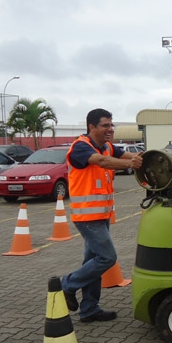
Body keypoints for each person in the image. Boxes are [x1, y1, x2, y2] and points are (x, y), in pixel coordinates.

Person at [61, 108, 143, 322]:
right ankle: (66, 285)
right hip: (87, 217)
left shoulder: (106, 146)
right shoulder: (81, 147)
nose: (110, 129)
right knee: (107, 258)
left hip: (101, 215)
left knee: (93, 260)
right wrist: (129, 164)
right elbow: (102, 162)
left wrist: (148, 157)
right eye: (105, 125)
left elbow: (131, 156)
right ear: (92, 127)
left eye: (111, 125)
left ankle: (89, 309)